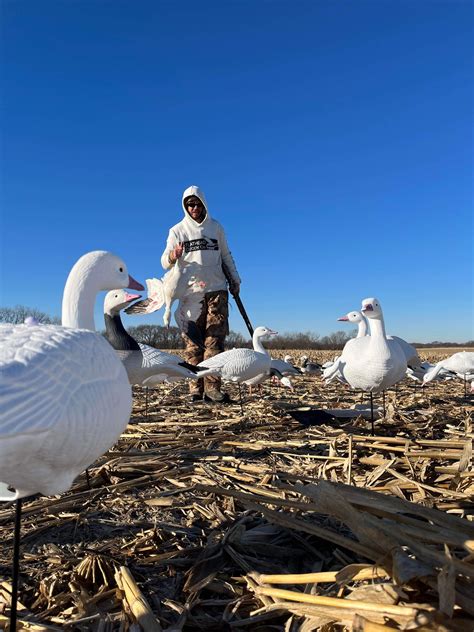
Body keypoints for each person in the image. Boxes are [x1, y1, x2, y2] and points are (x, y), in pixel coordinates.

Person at [161, 185, 241, 403]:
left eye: (196, 204)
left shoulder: (216, 228)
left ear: (203, 204)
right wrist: (172, 255)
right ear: (184, 207)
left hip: (216, 291)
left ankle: (213, 388)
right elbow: (164, 263)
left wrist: (235, 279)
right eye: (189, 204)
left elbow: (225, 255)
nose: (193, 208)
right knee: (193, 345)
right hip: (190, 294)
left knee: (215, 341)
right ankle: (195, 389)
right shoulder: (177, 231)